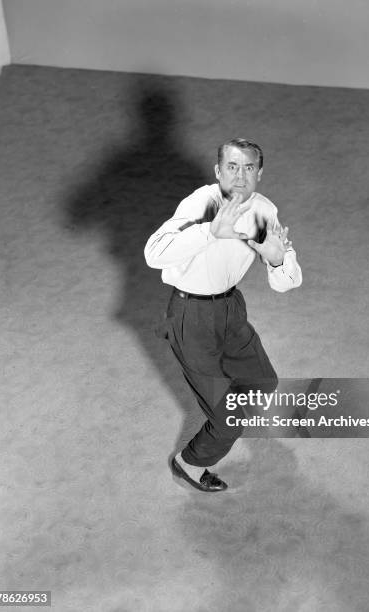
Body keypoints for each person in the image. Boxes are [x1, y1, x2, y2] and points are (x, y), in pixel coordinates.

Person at [144, 138, 302, 492]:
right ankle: (190, 462)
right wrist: (208, 231)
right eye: (232, 167)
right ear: (218, 172)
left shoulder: (264, 211)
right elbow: (153, 254)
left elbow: (286, 282)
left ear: (259, 173)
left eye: (248, 168)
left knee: (263, 383)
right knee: (230, 422)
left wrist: (277, 259)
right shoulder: (201, 204)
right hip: (191, 315)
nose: (240, 176)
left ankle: (221, 402)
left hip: (230, 308)